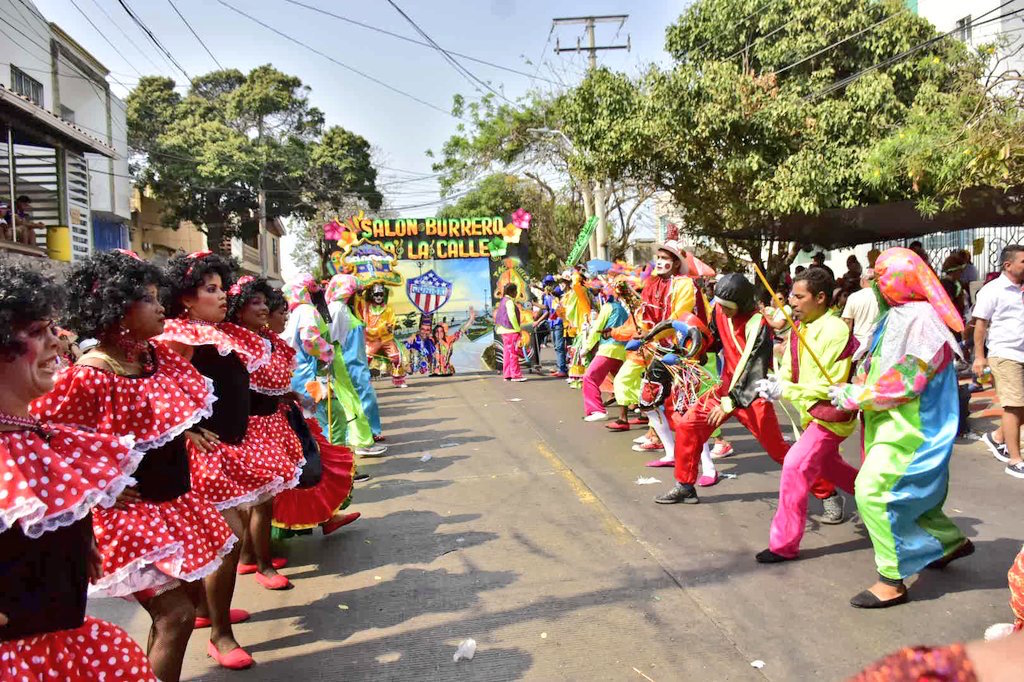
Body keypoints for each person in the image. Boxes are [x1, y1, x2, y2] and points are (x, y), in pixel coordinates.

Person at [32, 251, 235, 681]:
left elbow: (161, 422)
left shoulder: (159, 359)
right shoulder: (89, 375)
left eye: (159, 296)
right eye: (148, 298)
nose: (162, 306)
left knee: (181, 610)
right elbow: (44, 437)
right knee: (176, 615)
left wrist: (187, 435)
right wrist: (98, 483)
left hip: (175, 506)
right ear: (115, 307)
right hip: (125, 520)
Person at [0, 262, 157, 681]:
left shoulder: (38, 437)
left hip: (64, 642)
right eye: (38, 331)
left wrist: (80, 538)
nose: (57, 341)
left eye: (53, 328)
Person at [157, 251, 298, 669]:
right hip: (203, 455)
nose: (223, 297)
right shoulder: (180, 335)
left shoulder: (217, 333)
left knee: (225, 537)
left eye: (222, 288)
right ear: (185, 298)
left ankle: (206, 612)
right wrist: (186, 430)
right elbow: (160, 392)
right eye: (211, 289)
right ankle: (219, 634)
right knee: (229, 537)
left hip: (229, 448)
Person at [830, 247, 973, 608]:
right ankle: (948, 542)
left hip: (914, 428)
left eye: (882, 273)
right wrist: (854, 386)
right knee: (917, 498)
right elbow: (875, 362)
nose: (877, 280)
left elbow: (908, 380)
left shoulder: (923, 318)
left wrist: (858, 396)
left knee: (873, 490)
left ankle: (892, 580)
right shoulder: (894, 314)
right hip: (889, 422)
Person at [655, 274, 836, 507]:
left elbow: (754, 368)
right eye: (719, 304)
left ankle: (827, 493)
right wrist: (690, 347)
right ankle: (685, 486)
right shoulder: (720, 311)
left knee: (779, 450)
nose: (722, 310)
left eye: (727, 306)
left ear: (741, 302)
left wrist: (730, 402)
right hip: (723, 390)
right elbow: (714, 341)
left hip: (751, 396)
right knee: (688, 426)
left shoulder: (758, 324)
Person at [754, 268, 859, 563]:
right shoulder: (800, 328)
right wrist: (775, 382)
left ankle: (783, 545)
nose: (793, 303)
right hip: (811, 415)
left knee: (795, 466)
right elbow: (788, 370)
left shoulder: (836, 330)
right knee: (838, 471)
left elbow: (831, 384)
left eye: (799, 297)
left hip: (830, 416)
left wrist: (786, 389)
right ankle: (890, 506)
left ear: (821, 298)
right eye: (792, 297)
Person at [227, 276, 306, 592]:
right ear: (238, 308)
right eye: (255, 302)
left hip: (271, 423)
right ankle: (263, 564)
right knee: (259, 502)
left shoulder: (264, 341)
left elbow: (273, 386)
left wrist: (288, 398)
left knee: (259, 501)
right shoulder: (233, 344)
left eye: (264, 302)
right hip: (249, 430)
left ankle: (250, 556)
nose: (264, 308)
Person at [266, 287, 361, 540]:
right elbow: (310, 341)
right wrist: (327, 353)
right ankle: (267, 543)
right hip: (290, 401)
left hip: (293, 403)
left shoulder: (274, 337)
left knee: (316, 461)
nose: (285, 318)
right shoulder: (307, 312)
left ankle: (328, 515)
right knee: (303, 467)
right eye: (278, 312)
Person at [611, 224, 698, 436]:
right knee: (653, 391)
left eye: (665, 258)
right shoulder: (654, 284)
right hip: (657, 347)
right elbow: (647, 312)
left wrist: (650, 334)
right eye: (658, 257)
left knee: (687, 397)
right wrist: (642, 329)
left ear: (677, 263)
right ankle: (656, 434)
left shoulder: (684, 284)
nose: (659, 261)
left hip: (681, 349)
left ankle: (716, 441)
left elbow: (677, 319)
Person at [972, 245, 1024, 478]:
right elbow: (980, 325)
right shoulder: (992, 290)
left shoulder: (1021, 289)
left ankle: (997, 437)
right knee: (1013, 405)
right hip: (1004, 354)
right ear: (1008, 265)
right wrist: (979, 357)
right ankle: (1014, 459)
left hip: (1022, 353)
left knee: (1021, 405)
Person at [324, 274, 385, 440]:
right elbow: (328, 337)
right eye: (357, 292)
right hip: (347, 364)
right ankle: (360, 437)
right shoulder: (336, 310)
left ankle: (369, 433)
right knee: (358, 400)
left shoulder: (345, 309)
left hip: (357, 364)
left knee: (365, 397)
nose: (360, 297)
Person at [581, 279, 629, 421]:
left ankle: (597, 410)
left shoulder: (609, 307)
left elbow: (597, 329)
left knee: (589, 377)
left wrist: (586, 347)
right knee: (623, 381)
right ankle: (640, 408)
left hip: (608, 349)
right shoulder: (622, 309)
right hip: (623, 351)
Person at [356, 283, 407, 388]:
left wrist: (390, 327)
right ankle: (362, 382)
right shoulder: (367, 308)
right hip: (371, 340)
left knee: (396, 357)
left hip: (386, 339)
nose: (379, 297)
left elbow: (391, 322)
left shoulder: (388, 309)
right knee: (365, 359)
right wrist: (360, 293)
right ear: (372, 296)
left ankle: (399, 380)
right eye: (376, 294)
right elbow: (358, 304)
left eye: (380, 294)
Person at [842, 267, 880, 354]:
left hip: (859, 344)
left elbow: (847, 322)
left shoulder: (854, 297)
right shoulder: (883, 297)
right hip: (877, 344)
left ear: (862, 281)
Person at [495, 282, 527, 382]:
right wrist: (518, 329)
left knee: (507, 354)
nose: (517, 293)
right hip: (511, 330)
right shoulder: (509, 302)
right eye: (516, 291)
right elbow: (512, 316)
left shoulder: (503, 300)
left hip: (504, 331)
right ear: (512, 292)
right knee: (514, 353)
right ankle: (516, 375)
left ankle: (507, 374)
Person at [431, 308, 477, 376]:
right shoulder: (431, 340)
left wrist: (471, 319)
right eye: (438, 330)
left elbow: (462, 330)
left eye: (443, 330)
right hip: (436, 371)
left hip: (447, 371)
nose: (441, 332)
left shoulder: (449, 339)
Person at [542, 276, 568, 378]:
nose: (548, 285)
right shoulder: (546, 296)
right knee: (556, 346)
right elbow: (546, 308)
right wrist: (532, 303)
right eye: (547, 283)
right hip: (551, 322)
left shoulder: (557, 291)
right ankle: (559, 367)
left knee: (560, 346)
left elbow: (558, 297)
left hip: (559, 321)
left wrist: (552, 294)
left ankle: (562, 368)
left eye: (550, 283)